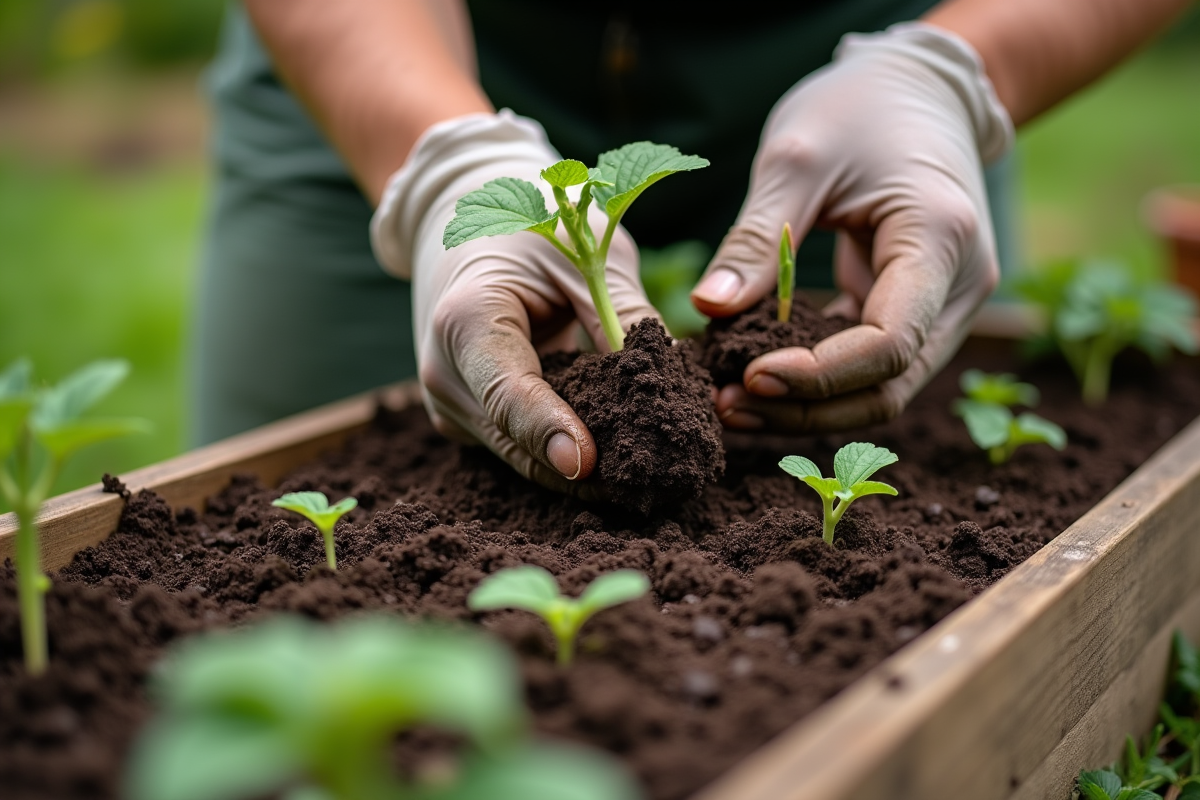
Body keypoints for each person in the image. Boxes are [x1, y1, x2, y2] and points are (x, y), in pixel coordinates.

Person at [192, 0, 1192, 495]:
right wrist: (445, 158)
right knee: (319, 503)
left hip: (873, 57)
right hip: (386, 48)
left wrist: (959, 72)